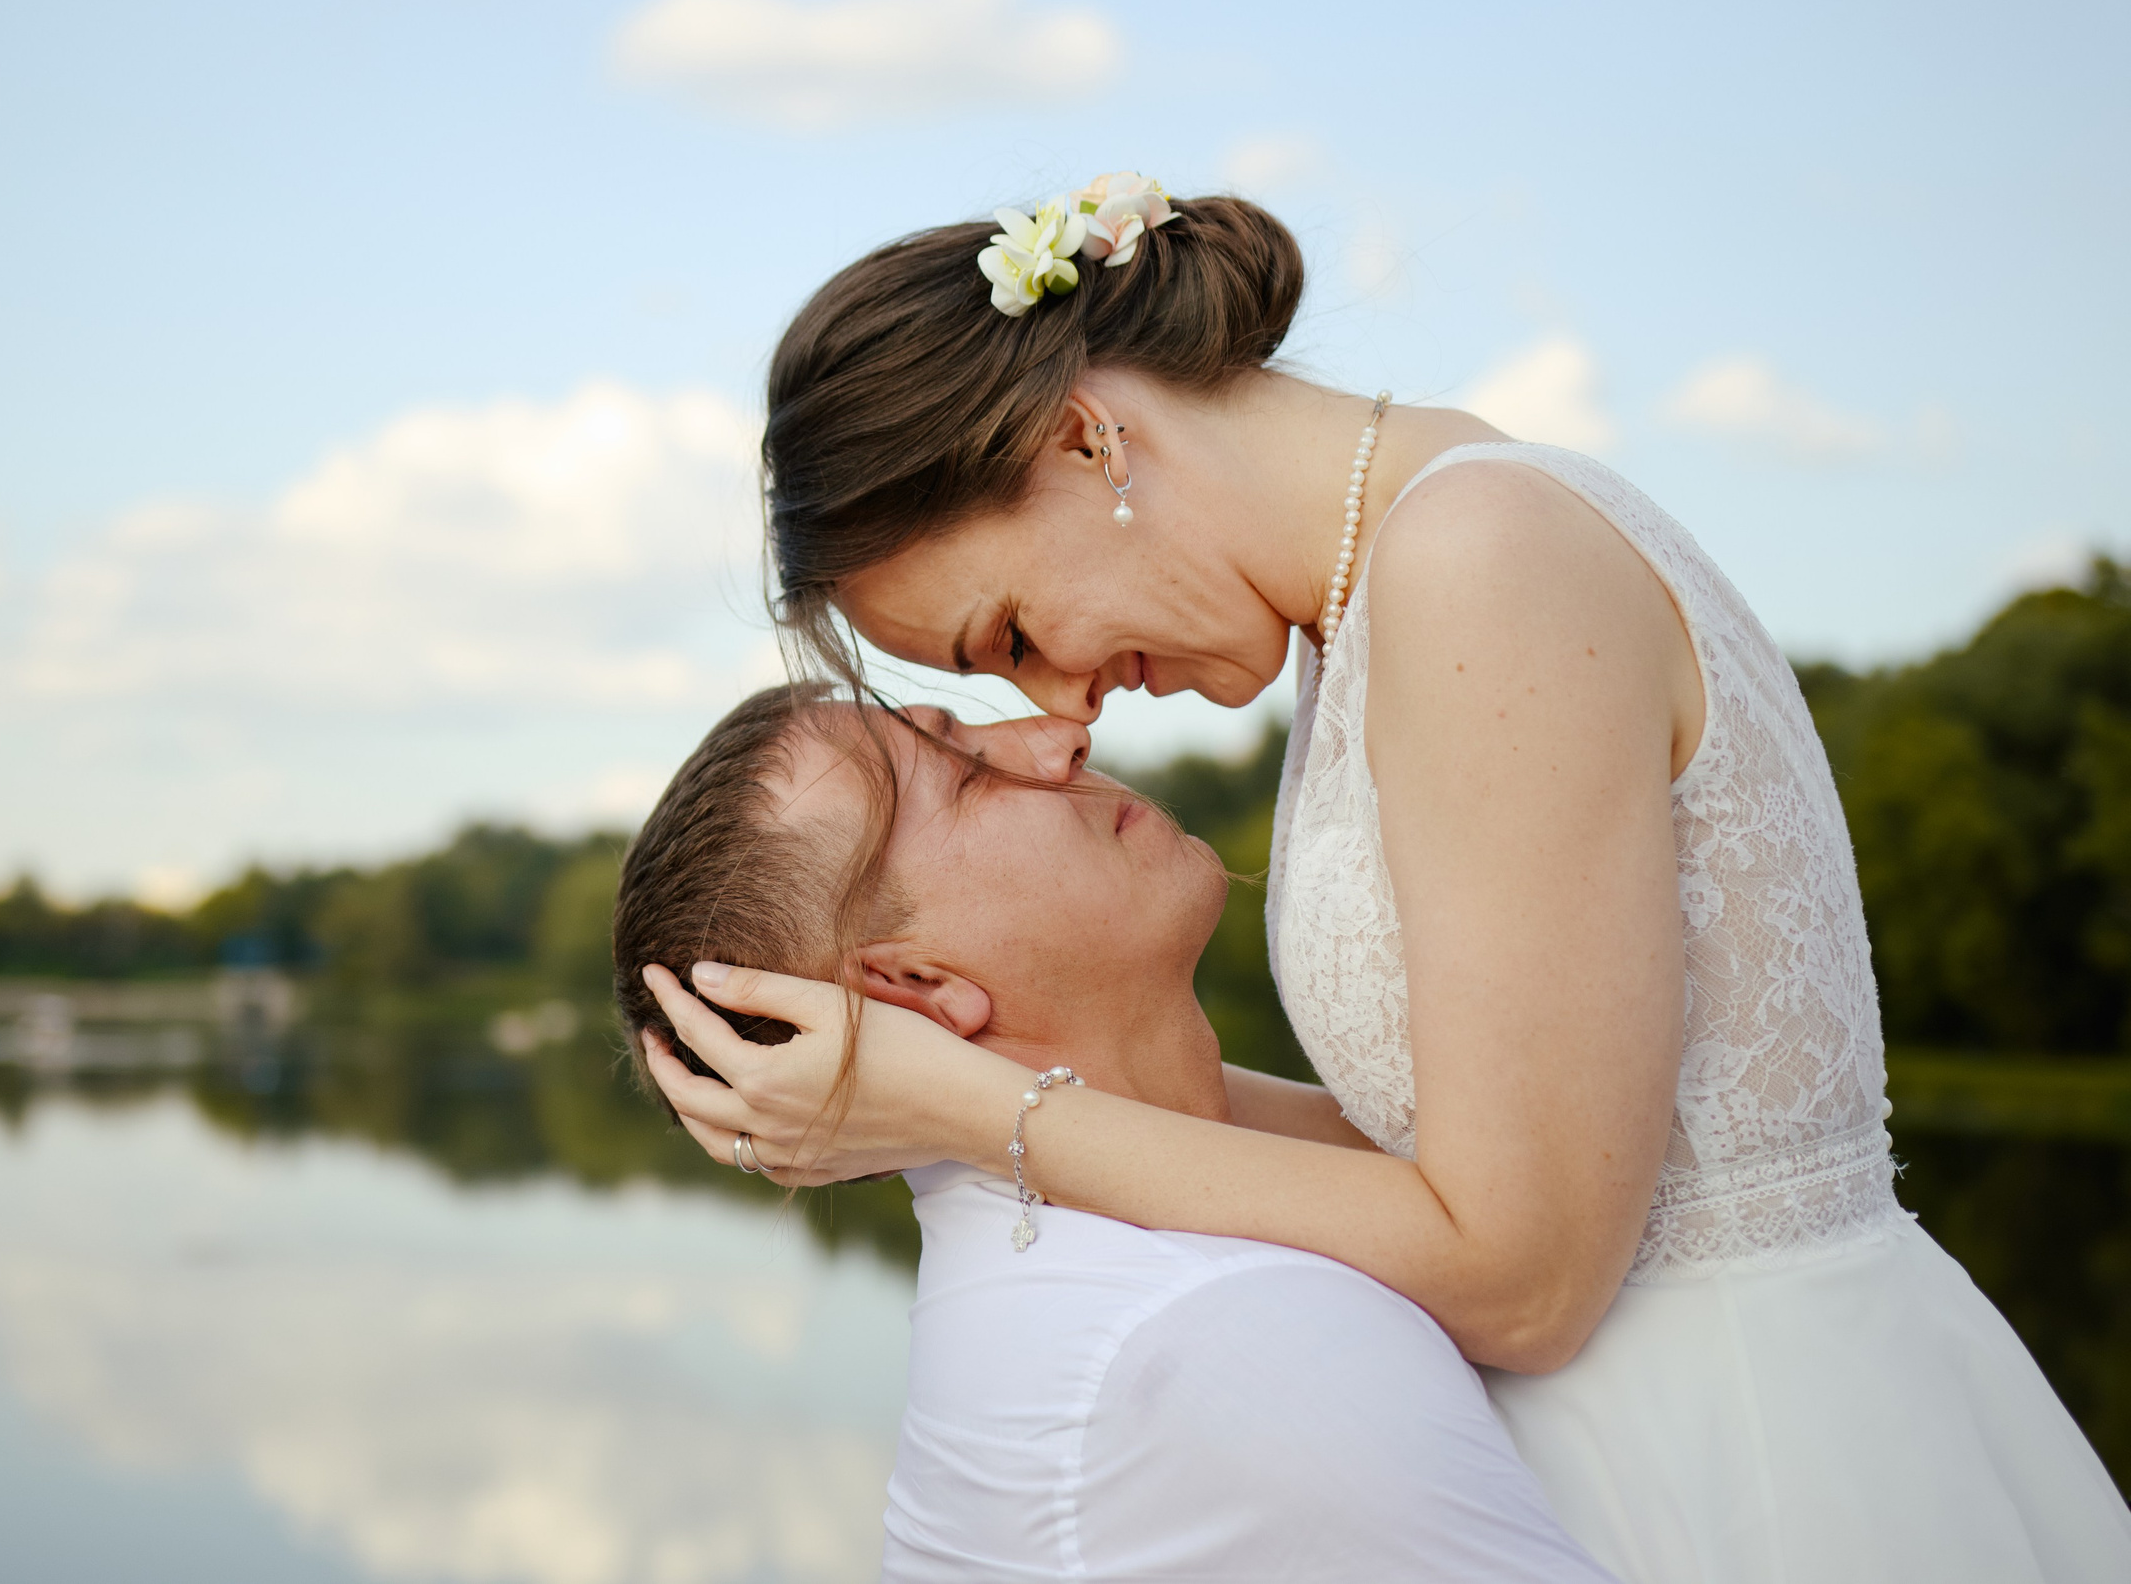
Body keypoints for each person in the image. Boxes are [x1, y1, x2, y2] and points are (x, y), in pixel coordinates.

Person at [634, 178, 2131, 1582]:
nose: (1066, 709)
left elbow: (1528, 1273)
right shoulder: (1386, 591)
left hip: (1765, 1461)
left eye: (1013, 630)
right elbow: (1449, 1146)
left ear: (1085, 440)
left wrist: (972, 1108)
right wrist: (937, 1106)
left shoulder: (1476, 560)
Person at [612, 684, 1617, 1582]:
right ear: (913, 986)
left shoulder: (1110, 1260)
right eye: (963, 772)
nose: (1060, 739)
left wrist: (960, 1095)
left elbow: (1464, 1176)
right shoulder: (1215, 1341)